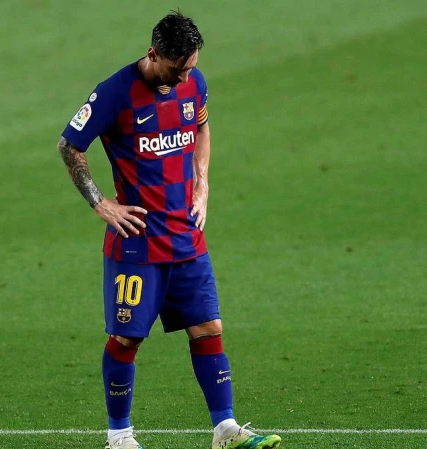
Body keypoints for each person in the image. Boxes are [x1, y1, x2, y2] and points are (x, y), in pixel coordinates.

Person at [57, 10, 282, 449]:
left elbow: (201, 127)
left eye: (191, 67)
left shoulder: (194, 83)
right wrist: (101, 203)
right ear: (153, 53)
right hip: (137, 244)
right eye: (177, 69)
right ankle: (119, 437)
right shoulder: (115, 93)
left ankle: (225, 429)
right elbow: (69, 145)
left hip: (186, 236)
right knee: (126, 339)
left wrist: (203, 184)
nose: (184, 78)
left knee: (209, 328)